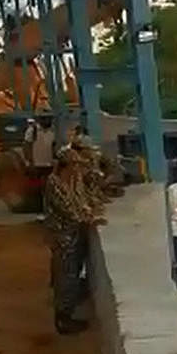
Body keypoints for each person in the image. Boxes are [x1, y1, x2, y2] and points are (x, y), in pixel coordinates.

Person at [45, 142, 107, 335]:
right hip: (62, 237)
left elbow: (80, 200)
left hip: (72, 235)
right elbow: (69, 210)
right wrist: (89, 218)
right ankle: (63, 319)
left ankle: (67, 311)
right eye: (75, 165)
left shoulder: (71, 180)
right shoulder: (54, 183)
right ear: (66, 166)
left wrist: (89, 212)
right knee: (65, 277)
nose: (78, 169)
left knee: (71, 274)